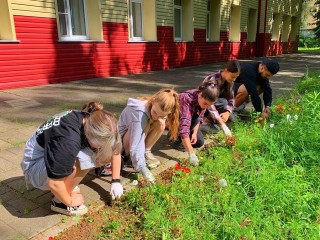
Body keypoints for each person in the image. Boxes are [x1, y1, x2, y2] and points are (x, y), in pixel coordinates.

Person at [21, 102, 123, 216]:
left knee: (97, 154)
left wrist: (116, 181)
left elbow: (115, 150)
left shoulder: (90, 118)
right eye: (100, 144)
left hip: (48, 155)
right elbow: (54, 183)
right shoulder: (68, 141)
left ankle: (66, 183)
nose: (102, 147)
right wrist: (69, 201)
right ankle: (59, 203)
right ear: (89, 134)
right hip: (34, 166)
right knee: (88, 159)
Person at [118, 88, 179, 184]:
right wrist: (142, 168)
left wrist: (160, 118)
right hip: (120, 145)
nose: (156, 117)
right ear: (153, 101)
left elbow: (157, 119)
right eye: (155, 113)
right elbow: (136, 144)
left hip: (135, 138)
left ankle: (144, 153)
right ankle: (129, 159)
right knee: (145, 127)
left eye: (162, 115)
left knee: (160, 124)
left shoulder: (157, 108)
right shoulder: (139, 114)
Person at [170, 81, 219, 166]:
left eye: (208, 105)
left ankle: (184, 139)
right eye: (205, 104)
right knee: (186, 140)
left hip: (190, 121)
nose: (206, 107)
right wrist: (191, 154)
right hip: (176, 121)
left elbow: (199, 118)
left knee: (199, 142)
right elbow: (184, 127)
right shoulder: (186, 99)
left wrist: (195, 133)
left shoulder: (202, 100)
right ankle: (175, 138)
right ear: (200, 95)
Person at [200, 60, 241, 136]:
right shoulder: (212, 80)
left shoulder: (230, 82)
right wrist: (222, 124)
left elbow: (231, 99)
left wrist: (227, 113)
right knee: (223, 102)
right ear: (226, 70)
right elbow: (209, 103)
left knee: (230, 117)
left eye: (236, 77)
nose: (234, 79)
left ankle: (214, 121)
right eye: (232, 76)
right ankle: (205, 123)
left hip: (216, 104)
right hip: (204, 106)